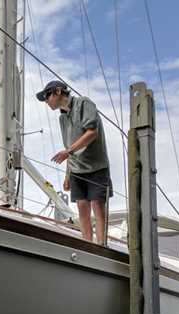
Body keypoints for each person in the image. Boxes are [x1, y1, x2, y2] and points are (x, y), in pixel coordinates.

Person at [37, 80, 112, 244]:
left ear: (58, 91)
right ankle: (87, 247)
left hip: (96, 167)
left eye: (47, 96)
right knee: (82, 209)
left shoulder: (84, 103)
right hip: (76, 170)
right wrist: (67, 176)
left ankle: (101, 247)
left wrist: (68, 152)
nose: (46, 101)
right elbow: (68, 147)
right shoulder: (62, 119)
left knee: (98, 208)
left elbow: (92, 133)